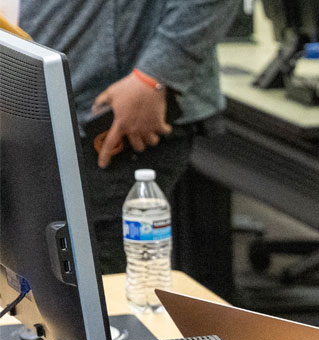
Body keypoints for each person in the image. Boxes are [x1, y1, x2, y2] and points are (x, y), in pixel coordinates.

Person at [18, 0, 241, 273]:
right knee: (40, 276)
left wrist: (156, 74)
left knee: (95, 284)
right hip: (45, 103)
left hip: (120, 113)